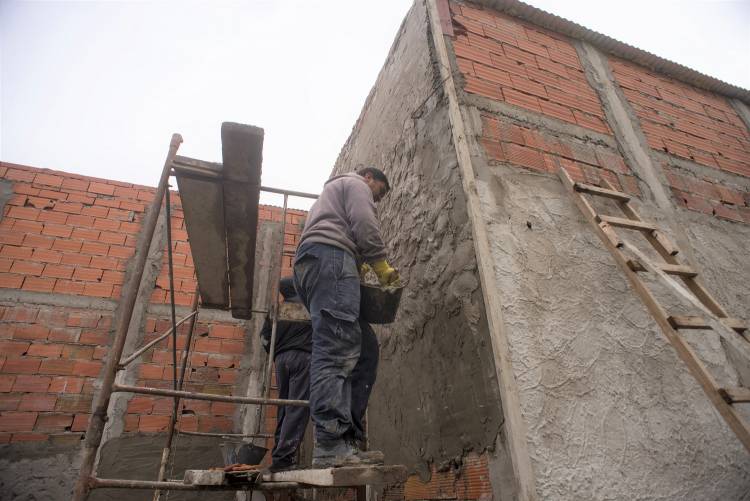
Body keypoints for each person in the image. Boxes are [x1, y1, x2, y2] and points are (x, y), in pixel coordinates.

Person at [293, 166, 399, 468]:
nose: (374, 200)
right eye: (377, 193)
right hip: (331, 259)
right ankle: (329, 444)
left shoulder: (328, 199)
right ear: (369, 178)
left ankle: (348, 441)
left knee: (366, 351)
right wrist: (379, 263)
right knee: (336, 349)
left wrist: (358, 264)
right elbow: (365, 223)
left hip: (319, 265)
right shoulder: (354, 183)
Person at [260, 277, 312, 472]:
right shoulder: (308, 306)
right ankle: (284, 458)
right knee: (298, 406)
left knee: (284, 406)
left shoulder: (276, 309)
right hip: (304, 358)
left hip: (281, 361)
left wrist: (277, 354)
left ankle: (279, 455)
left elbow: (265, 339)